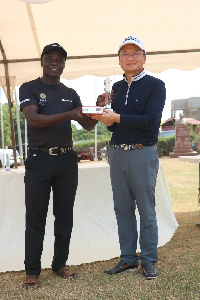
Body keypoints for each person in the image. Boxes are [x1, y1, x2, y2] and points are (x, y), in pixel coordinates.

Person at [19, 43, 97, 288]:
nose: (55, 62)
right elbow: (33, 119)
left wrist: (98, 104)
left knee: (64, 216)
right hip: (39, 160)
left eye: (59, 59)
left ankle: (59, 264)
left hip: (66, 161)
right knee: (35, 218)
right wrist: (69, 115)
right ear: (42, 61)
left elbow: (88, 125)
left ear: (64, 64)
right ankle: (32, 271)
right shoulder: (29, 88)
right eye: (50, 58)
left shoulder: (70, 93)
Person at [93, 35, 166, 279]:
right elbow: (115, 128)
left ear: (144, 58)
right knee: (122, 208)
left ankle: (147, 259)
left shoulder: (155, 85)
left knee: (146, 209)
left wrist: (117, 118)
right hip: (117, 153)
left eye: (136, 53)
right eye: (125, 53)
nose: (130, 57)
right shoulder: (117, 88)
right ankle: (128, 258)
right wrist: (103, 113)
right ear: (119, 60)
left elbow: (150, 123)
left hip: (142, 152)